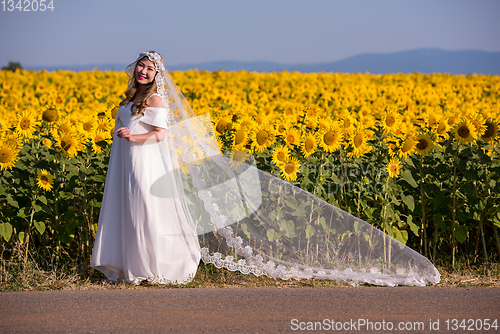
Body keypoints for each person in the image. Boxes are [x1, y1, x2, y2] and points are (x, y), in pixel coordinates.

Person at [91, 51, 441, 287]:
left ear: (157, 75)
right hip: (126, 161)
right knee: (128, 208)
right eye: (141, 66)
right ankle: (127, 265)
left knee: (145, 210)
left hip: (145, 161)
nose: (144, 71)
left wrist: (134, 140)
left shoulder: (154, 99)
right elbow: (130, 125)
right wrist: (122, 136)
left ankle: (150, 267)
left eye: (150, 69)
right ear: (134, 69)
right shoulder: (130, 98)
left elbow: (161, 134)